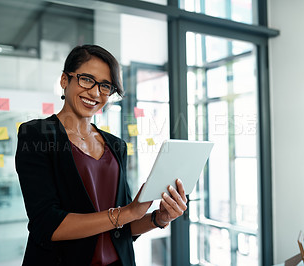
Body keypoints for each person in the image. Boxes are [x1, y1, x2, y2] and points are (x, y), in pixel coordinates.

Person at [15, 44, 187, 266]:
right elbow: (47, 224)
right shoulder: (37, 135)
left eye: (105, 86)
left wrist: (159, 218)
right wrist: (127, 213)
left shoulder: (116, 146)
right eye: (86, 79)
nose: (95, 93)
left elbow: (123, 228)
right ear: (64, 80)